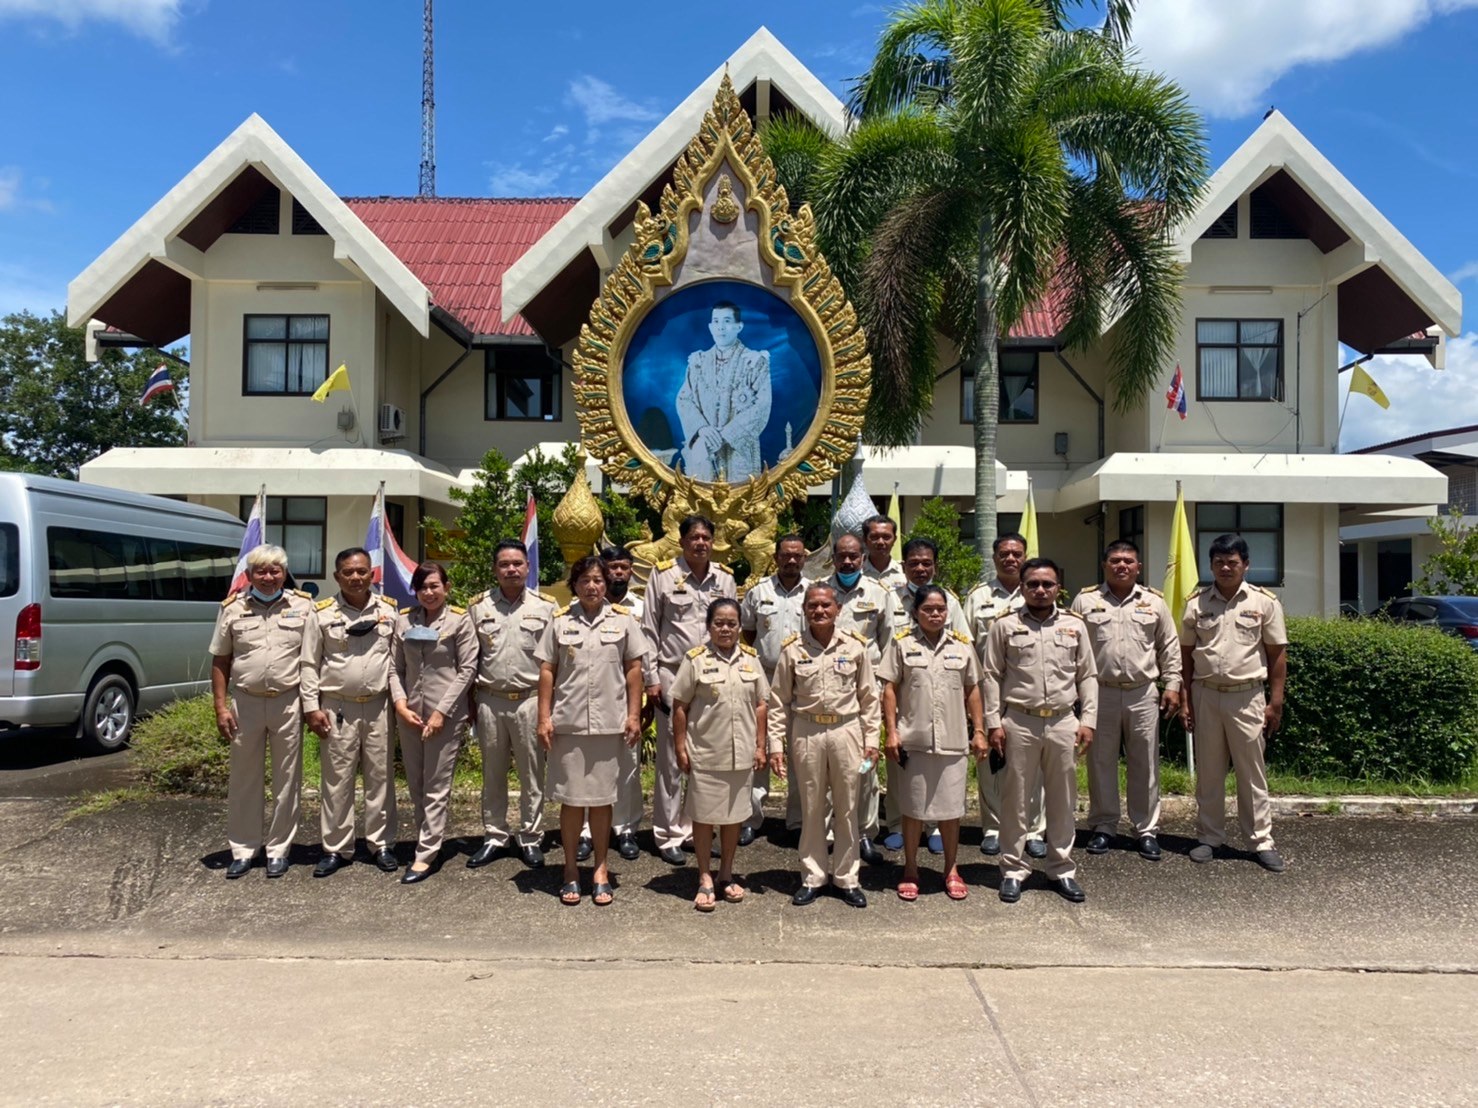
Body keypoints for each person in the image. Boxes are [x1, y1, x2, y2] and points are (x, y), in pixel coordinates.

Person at [981, 557, 1098, 904]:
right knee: (1015, 799)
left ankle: (1060, 868)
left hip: (1063, 720)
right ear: (1021, 587)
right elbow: (991, 675)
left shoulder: (1075, 626)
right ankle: (1013, 870)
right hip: (1019, 720)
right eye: (1033, 584)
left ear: (1058, 587)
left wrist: (1088, 719)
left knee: (1063, 799)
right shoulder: (1004, 626)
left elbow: (1087, 675)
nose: (1040, 590)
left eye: (1047, 584)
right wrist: (992, 723)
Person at [535, 556, 645, 906]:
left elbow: (634, 670)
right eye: (585, 580)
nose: (593, 586)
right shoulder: (559, 623)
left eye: (598, 580)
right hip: (568, 726)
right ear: (575, 585)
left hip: (609, 725)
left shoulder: (624, 622)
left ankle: (600, 868)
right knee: (570, 802)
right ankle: (570, 869)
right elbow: (548, 671)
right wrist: (543, 717)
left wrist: (633, 715)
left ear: (605, 583)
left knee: (601, 802)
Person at [767, 583, 881, 908]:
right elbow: (778, 702)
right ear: (804, 609)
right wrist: (776, 746)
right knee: (812, 807)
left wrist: (872, 740)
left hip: (847, 732)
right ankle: (813, 876)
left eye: (826, 605)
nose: (819, 611)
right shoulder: (792, 650)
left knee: (847, 807)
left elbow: (869, 699)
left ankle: (847, 878)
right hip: (807, 732)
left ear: (838, 609)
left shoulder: (856, 647)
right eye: (813, 605)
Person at [1179, 533, 1288, 872]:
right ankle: (1209, 837)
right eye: (1219, 562)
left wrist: (1276, 702)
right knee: (1209, 773)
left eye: (1232, 562)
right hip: (1206, 693)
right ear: (1210, 565)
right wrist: (1186, 700)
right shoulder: (1196, 603)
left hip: (1247, 696)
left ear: (1246, 565)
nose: (1225, 568)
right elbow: (1185, 656)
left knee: (1251, 773)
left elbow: (1277, 654)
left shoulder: (1264, 602)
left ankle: (1260, 841)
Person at [1071, 540, 1181, 861]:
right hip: (1099, 692)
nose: (1122, 566)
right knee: (1100, 762)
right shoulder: (1086, 600)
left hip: (1142, 692)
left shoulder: (1154, 602)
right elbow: (1073, 648)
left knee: (1145, 763)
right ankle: (1105, 826)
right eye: (1116, 561)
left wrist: (1172, 683)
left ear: (1138, 567)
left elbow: (1169, 646)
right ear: (1105, 565)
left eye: (1128, 561)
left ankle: (1145, 829)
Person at [210, 544, 315, 879]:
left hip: (288, 701)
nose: (269, 577)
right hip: (246, 703)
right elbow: (221, 660)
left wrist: (311, 706)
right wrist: (220, 706)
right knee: (244, 779)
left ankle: (279, 849)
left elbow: (312, 659)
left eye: (275, 570)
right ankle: (243, 849)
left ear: (284, 572)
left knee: (288, 780)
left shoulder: (303, 606)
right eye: (262, 571)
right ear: (249, 575)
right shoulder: (232, 609)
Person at [641, 515, 737, 865]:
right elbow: (649, 628)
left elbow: (731, 627)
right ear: (682, 542)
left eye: (706, 538)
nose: (700, 543)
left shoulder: (724, 577)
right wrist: (652, 678)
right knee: (671, 758)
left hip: (713, 675)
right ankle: (668, 834)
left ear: (713, 542)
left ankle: (700, 829)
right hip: (673, 673)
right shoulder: (663, 575)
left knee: (708, 757)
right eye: (694, 537)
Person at [880, 585, 986, 902]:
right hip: (915, 741)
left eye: (940, 609)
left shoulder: (962, 647)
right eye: (928, 609)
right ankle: (910, 868)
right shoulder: (901, 645)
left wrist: (978, 730)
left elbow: (973, 690)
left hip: (953, 741)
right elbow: (889, 690)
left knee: (951, 811)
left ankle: (951, 869)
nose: (935, 614)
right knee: (912, 810)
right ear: (916, 612)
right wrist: (891, 732)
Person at [301, 547, 400, 877]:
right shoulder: (321, 613)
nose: (356, 577)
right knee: (337, 780)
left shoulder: (389, 611)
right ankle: (336, 848)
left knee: (380, 778)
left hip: (378, 706)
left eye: (362, 571)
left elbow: (396, 665)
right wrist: (311, 708)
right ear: (336, 576)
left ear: (372, 574)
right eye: (348, 572)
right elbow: (308, 663)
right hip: (336, 707)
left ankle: (381, 843)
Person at [671, 598, 769, 911]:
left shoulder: (751, 660)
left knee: (734, 818)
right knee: (703, 818)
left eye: (731, 623)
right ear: (709, 626)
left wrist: (760, 745)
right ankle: (704, 876)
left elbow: (761, 704)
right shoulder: (695, 659)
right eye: (719, 623)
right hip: (705, 753)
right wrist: (680, 746)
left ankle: (726, 873)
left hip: (741, 754)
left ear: (740, 626)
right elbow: (680, 706)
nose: (725, 629)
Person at [466, 540, 557, 872]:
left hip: (531, 699)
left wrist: (549, 710)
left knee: (533, 773)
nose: (511, 569)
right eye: (504, 564)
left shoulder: (546, 607)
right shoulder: (478, 607)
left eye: (517, 563)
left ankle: (531, 836)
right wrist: (470, 705)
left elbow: (553, 663)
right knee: (492, 772)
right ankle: (494, 834)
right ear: (495, 569)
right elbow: (469, 660)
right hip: (490, 698)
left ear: (528, 567)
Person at [390, 561, 476, 885]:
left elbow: (467, 670)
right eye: (423, 587)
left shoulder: (460, 621)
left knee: (437, 788)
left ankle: (425, 855)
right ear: (415, 589)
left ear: (446, 587)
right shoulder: (403, 621)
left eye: (435, 586)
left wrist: (441, 712)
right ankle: (425, 839)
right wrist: (400, 704)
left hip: (447, 715)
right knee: (417, 784)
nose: (429, 592)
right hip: (411, 714)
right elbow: (394, 669)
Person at [883, 537, 968, 854]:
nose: (920, 568)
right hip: (899, 687)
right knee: (900, 764)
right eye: (914, 563)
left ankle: (933, 825)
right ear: (903, 566)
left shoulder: (949, 601)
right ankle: (897, 824)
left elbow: (963, 645)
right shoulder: (888, 599)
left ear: (935, 566)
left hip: (940, 693)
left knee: (937, 763)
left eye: (926, 563)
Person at [963, 532, 1046, 859]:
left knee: (1033, 767)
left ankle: (1034, 830)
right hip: (987, 691)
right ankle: (994, 828)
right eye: (1005, 554)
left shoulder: (1038, 592)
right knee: (991, 765)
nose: (1011, 559)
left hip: (1029, 692)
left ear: (1025, 556)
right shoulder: (978, 597)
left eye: (1017, 554)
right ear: (995, 558)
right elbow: (967, 645)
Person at [574, 546, 658, 864]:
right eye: (613, 568)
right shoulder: (580, 607)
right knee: (587, 768)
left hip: (627, 700)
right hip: (587, 701)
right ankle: (585, 832)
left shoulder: (639, 607)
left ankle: (625, 829)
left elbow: (645, 654)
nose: (619, 573)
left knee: (628, 768)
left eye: (625, 567)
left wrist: (647, 699)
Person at [739, 533, 809, 844]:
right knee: (760, 748)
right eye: (786, 555)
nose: (791, 560)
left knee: (800, 749)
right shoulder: (758, 592)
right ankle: (751, 818)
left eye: (797, 555)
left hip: (803, 679)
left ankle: (798, 820)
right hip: (765, 677)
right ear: (776, 557)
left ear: (804, 558)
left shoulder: (814, 592)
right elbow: (747, 634)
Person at [828, 532, 894, 862]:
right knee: (829, 766)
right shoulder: (820, 591)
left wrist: (885, 691)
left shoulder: (879, 594)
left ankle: (865, 832)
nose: (848, 561)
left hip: (867, 690)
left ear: (863, 559)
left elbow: (889, 644)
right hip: (828, 690)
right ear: (833, 557)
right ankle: (831, 832)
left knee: (866, 764)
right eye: (842, 556)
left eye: (854, 556)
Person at [675, 301, 772, 483]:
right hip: (705, 449)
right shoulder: (698, 362)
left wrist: (727, 434)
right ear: (710, 327)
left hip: (740, 454)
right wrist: (702, 429)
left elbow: (762, 406)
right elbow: (684, 400)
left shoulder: (754, 362)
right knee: (701, 504)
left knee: (741, 503)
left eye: (727, 321)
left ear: (738, 326)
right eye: (716, 322)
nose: (721, 328)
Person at [860, 515, 907, 590]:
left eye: (886, 537)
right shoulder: (856, 574)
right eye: (874, 537)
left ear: (894, 539)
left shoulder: (905, 572)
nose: (880, 542)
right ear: (864, 540)